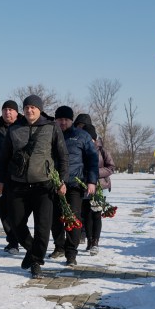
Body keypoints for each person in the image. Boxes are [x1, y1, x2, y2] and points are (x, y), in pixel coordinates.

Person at [0, 95, 68, 280]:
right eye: (26, 107)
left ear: (40, 109)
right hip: (18, 186)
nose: (29, 110)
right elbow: (3, 158)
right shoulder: (14, 129)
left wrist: (62, 180)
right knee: (17, 225)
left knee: (42, 228)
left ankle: (36, 262)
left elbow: (63, 156)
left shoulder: (52, 128)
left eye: (33, 107)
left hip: (44, 186)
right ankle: (32, 250)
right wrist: (0, 180)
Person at [48, 106, 98, 266]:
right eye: (60, 119)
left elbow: (92, 160)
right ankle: (59, 246)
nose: (63, 122)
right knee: (53, 219)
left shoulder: (81, 136)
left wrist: (91, 181)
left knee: (73, 219)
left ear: (71, 120)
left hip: (74, 185)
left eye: (66, 119)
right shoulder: (49, 134)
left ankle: (71, 253)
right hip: (53, 184)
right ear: (55, 120)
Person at [74, 113, 116, 255]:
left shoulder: (102, 150)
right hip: (85, 186)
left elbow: (111, 167)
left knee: (96, 214)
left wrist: (94, 173)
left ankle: (95, 242)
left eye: (91, 139)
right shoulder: (80, 150)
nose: (89, 141)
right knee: (85, 213)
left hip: (100, 186)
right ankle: (89, 239)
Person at [0, 100, 23, 254]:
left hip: (21, 175)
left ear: (16, 112)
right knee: (4, 210)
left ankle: (22, 238)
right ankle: (12, 241)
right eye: (5, 110)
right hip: (2, 176)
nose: (7, 112)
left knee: (19, 209)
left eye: (10, 110)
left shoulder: (24, 126)